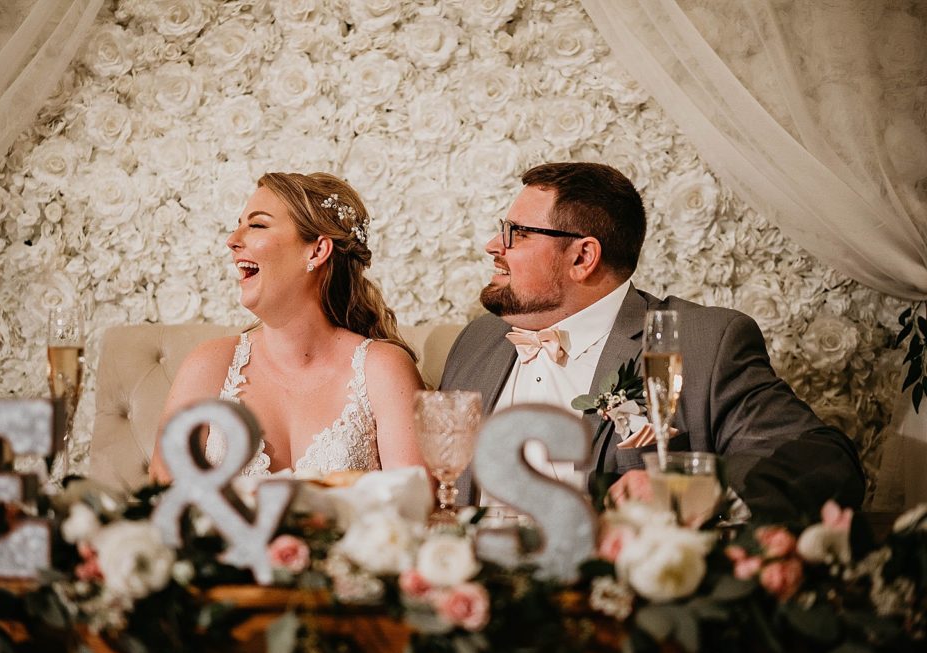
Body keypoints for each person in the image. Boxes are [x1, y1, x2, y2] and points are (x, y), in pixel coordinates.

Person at [439, 162, 865, 521]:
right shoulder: (478, 340)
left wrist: (685, 488)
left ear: (583, 257)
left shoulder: (703, 342)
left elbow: (826, 461)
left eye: (518, 233)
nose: (494, 245)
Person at [150, 172, 425, 482]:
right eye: (237, 225)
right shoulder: (209, 365)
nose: (232, 241)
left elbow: (416, 504)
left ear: (317, 251)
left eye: (256, 225)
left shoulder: (383, 370)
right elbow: (163, 498)